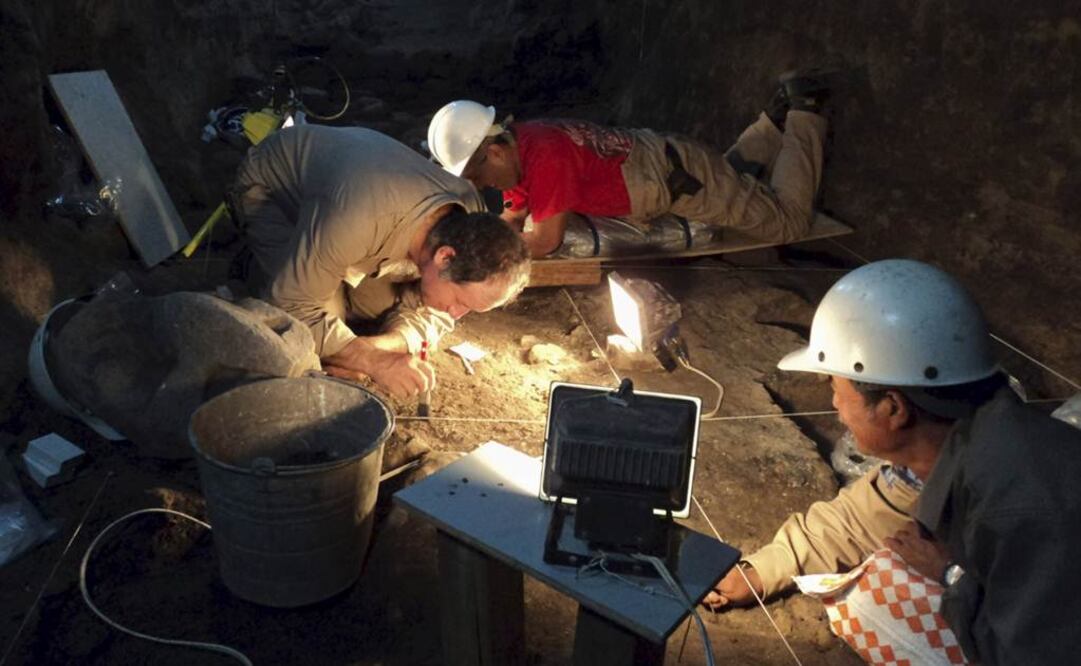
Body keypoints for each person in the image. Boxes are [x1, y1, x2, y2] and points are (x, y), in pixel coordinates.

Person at [705, 259, 1081, 664]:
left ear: (893, 408)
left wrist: (951, 575)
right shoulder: (952, 445)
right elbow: (863, 517)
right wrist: (760, 571)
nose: (834, 403)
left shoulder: (1024, 509)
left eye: (836, 387)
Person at [231, 124, 531, 399]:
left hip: (352, 224)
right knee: (307, 338)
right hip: (276, 193)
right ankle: (253, 265)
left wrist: (369, 346)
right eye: (460, 302)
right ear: (445, 257)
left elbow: (433, 318)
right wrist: (372, 360)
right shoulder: (357, 217)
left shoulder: (470, 217)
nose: (456, 314)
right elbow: (293, 305)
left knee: (370, 314)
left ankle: (329, 272)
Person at [426, 72, 829, 257]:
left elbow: (546, 241)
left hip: (677, 176)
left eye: (478, 176)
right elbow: (515, 215)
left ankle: (804, 110)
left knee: (788, 222)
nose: (483, 186)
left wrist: (486, 257)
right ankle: (772, 124)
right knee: (726, 181)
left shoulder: (546, 157)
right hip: (667, 164)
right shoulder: (520, 143)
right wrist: (484, 237)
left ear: (494, 152)